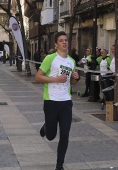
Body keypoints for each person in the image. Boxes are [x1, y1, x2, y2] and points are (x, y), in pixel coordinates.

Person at [35, 31, 79, 170]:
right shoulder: (50, 58)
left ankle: (59, 165)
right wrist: (55, 79)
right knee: (50, 136)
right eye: (61, 40)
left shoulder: (71, 61)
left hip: (66, 102)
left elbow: (72, 83)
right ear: (56, 44)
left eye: (66, 40)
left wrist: (75, 78)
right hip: (51, 101)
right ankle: (47, 126)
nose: (64, 42)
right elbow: (38, 77)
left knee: (65, 135)